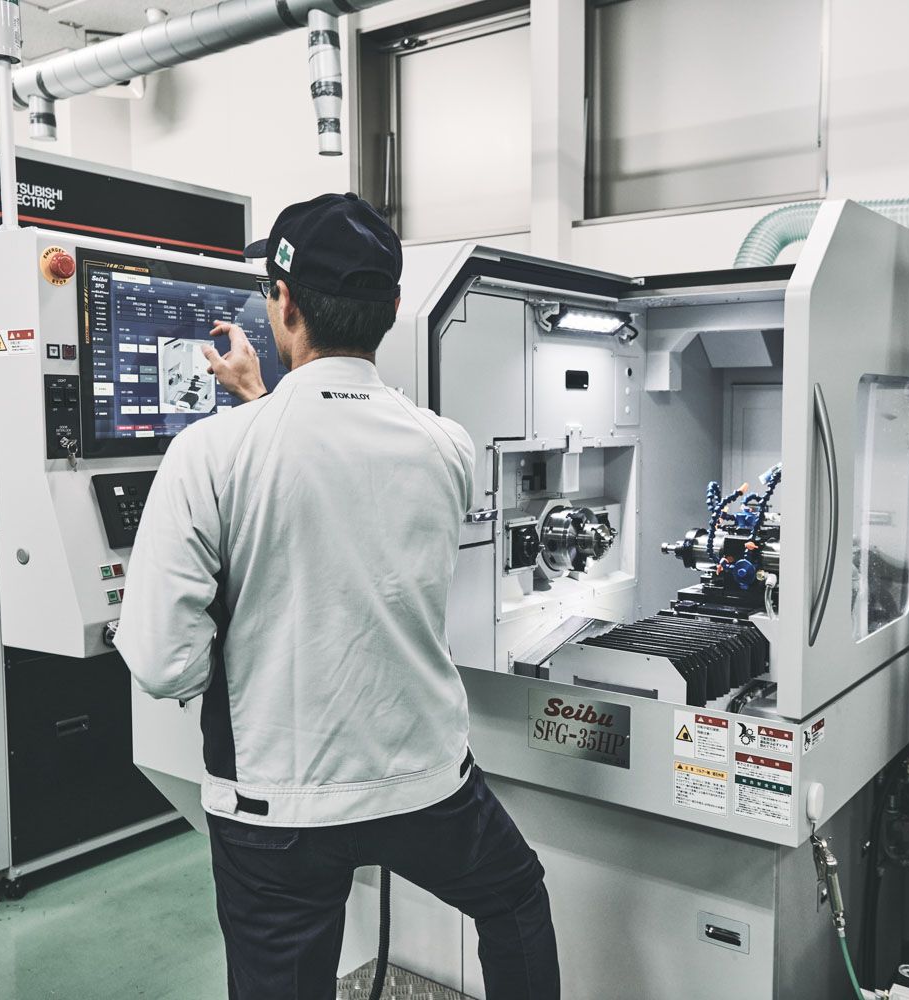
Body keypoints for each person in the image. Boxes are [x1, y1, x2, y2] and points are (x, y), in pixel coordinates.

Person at [115, 193, 560, 1000]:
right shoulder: (447, 446)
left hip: (273, 807)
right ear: (393, 306)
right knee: (515, 898)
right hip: (427, 784)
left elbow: (162, 665)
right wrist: (263, 402)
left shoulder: (209, 454)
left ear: (283, 302)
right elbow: (343, 484)